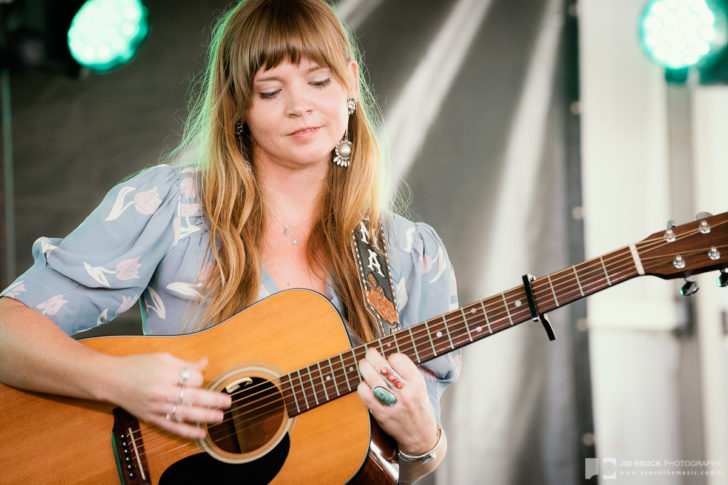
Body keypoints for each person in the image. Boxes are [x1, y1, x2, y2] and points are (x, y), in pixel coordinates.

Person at [0, 0, 460, 482]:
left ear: (349, 82)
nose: (299, 105)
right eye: (269, 90)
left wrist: (423, 438)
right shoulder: (171, 206)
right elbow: (8, 331)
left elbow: (396, 465)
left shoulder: (407, 254)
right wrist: (117, 381)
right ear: (239, 104)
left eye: (319, 81)